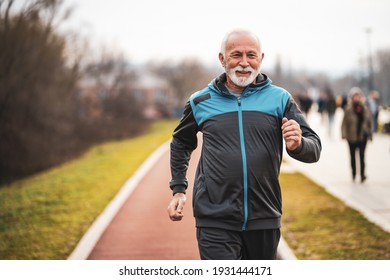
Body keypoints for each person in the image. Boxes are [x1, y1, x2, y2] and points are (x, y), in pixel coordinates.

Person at [167, 29, 322, 260]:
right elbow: (180, 142)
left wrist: (297, 144)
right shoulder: (200, 101)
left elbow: (314, 148)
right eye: (236, 55)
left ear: (260, 59)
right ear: (222, 59)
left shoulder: (280, 99)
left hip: (264, 217)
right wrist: (179, 189)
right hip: (214, 218)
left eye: (251, 55)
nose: (244, 62)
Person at [341, 87, 372, 183]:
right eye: (354, 96)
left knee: (362, 156)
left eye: (358, 96)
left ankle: (362, 175)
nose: (356, 98)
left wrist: (370, 134)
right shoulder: (348, 109)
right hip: (351, 137)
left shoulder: (365, 109)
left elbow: (369, 123)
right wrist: (344, 135)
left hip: (363, 136)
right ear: (351, 98)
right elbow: (344, 123)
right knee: (353, 156)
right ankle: (354, 173)